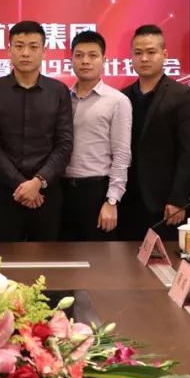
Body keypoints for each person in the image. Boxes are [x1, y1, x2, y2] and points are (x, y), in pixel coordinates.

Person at [0, 21, 73, 241]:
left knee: (47, 258)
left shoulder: (58, 91)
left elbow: (64, 144)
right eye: (19, 46)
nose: (26, 53)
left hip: (46, 192)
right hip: (5, 192)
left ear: (44, 51)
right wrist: (21, 185)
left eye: (33, 46)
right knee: (5, 259)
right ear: (9, 50)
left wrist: (38, 182)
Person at [120, 25, 190, 241]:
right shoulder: (122, 97)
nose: (144, 58)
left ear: (164, 54)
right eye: (138, 53)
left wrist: (178, 199)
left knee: (164, 260)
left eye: (151, 52)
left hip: (164, 203)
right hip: (127, 200)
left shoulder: (182, 95)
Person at [62, 30, 132, 240]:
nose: (85, 61)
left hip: (96, 191)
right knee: (62, 256)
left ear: (104, 60)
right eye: (79, 55)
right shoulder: (62, 98)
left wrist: (112, 200)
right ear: (71, 60)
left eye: (92, 55)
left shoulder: (117, 101)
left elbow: (122, 154)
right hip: (61, 191)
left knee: (97, 257)